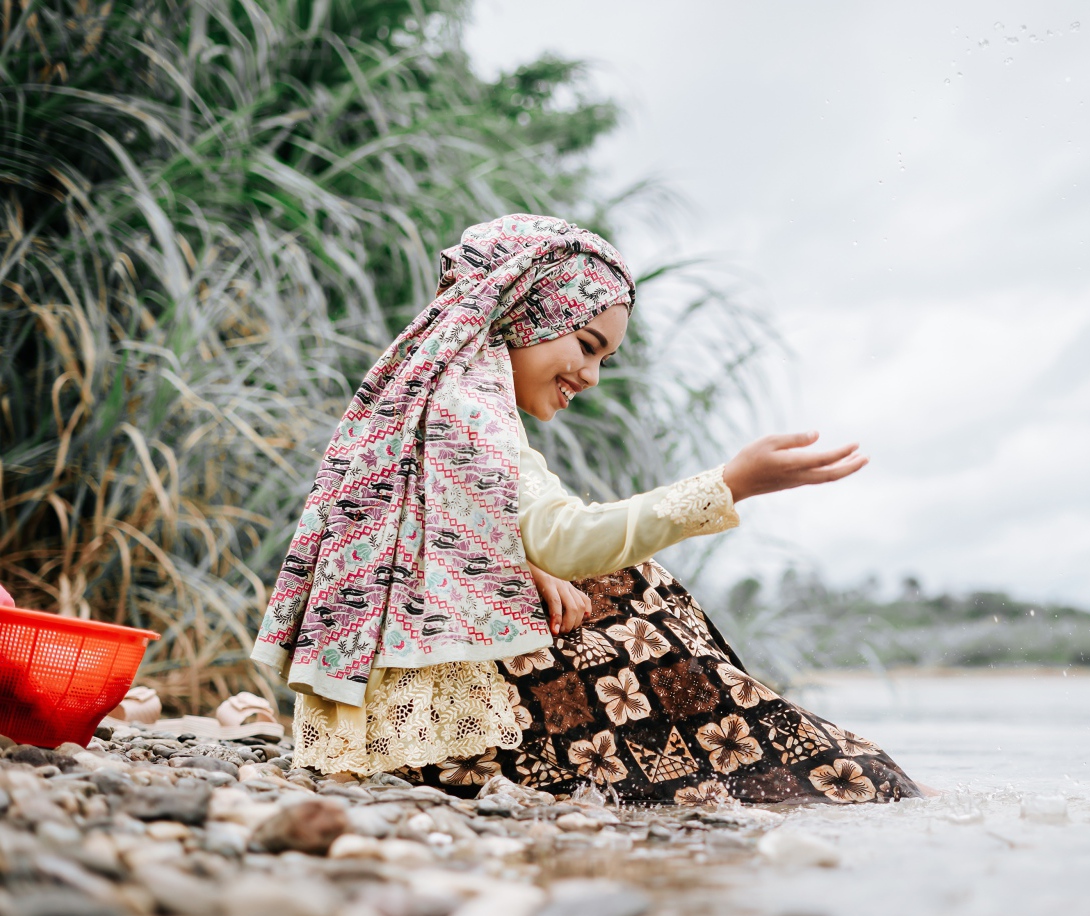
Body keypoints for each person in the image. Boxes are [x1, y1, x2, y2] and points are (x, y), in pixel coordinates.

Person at [252, 215, 919, 805]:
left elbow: (427, 552)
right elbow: (570, 541)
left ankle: (807, 762)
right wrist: (730, 483)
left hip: (376, 735)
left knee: (603, 586)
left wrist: (518, 569)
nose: (592, 377)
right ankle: (826, 772)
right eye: (588, 346)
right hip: (439, 749)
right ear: (526, 314)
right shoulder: (472, 417)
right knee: (633, 587)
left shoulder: (424, 401)